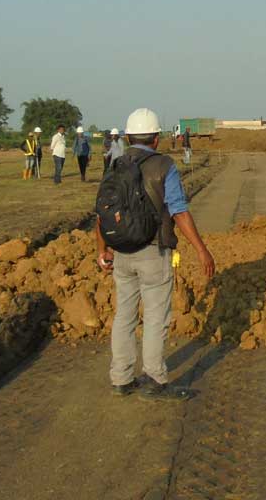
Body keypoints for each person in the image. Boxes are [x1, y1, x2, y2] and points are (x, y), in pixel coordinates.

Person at [96, 107, 215, 399]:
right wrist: (202, 250)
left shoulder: (116, 164)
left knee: (124, 315)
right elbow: (178, 211)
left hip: (122, 253)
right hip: (153, 251)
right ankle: (154, 379)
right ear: (157, 139)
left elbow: (101, 213)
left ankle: (121, 378)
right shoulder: (164, 166)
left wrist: (103, 250)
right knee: (155, 317)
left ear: (126, 136)